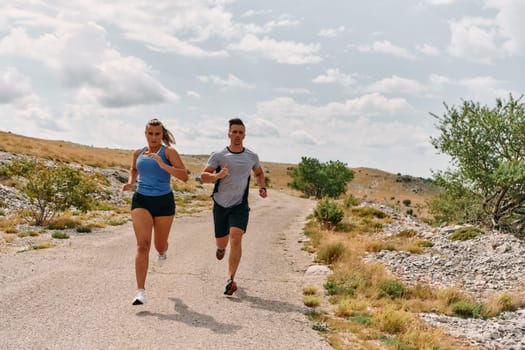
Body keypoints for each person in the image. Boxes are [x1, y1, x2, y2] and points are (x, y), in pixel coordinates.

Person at [121, 118, 188, 305]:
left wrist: (163, 164)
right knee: (143, 245)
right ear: (145, 134)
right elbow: (134, 169)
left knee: (159, 245)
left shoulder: (169, 152)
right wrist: (130, 182)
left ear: (162, 134)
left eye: (157, 134)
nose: (153, 137)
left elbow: (184, 177)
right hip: (141, 199)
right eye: (150, 133)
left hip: (163, 201)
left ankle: (163, 251)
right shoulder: (138, 152)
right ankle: (140, 291)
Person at [201, 118, 267, 296]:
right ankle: (221, 248)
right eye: (234, 132)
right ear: (229, 133)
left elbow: (259, 172)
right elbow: (203, 176)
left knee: (236, 237)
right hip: (221, 204)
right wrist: (218, 175)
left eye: (241, 132)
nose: (237, 135)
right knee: (222, 242)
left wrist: (262, 187)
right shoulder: (219, 155)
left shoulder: (251, 156)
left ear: (244, 135)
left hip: (240, 204)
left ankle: (230, 279)